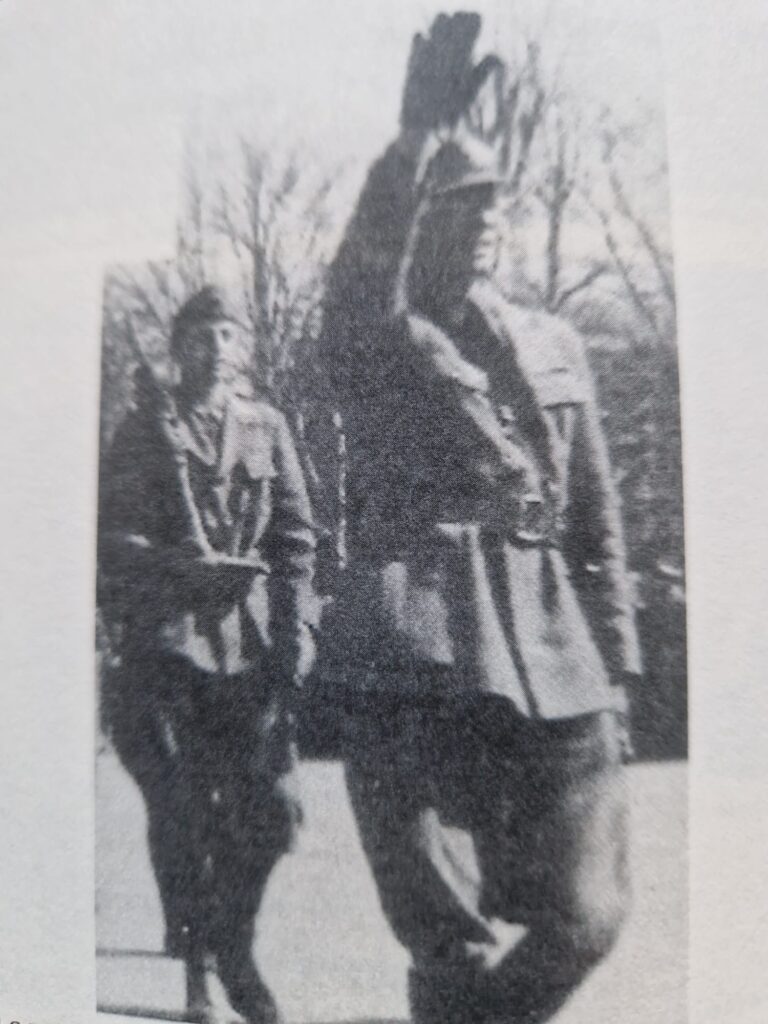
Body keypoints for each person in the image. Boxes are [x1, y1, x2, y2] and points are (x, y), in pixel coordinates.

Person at [319, 13, 641, 1023]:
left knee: (590, 913)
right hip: (418, 641)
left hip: (552, 648)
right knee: (446, 933)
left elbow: (595, 524)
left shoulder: (554, 344)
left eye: (496, 200)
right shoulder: (379, 341)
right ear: (423, 219)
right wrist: (412, 143)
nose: (488, 217)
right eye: (461, 201)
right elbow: (360, 279)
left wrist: (618, 667)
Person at [98, 286, 317, 1024]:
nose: (217, 349)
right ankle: (199, 975)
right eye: (202, 336)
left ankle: (230, 941)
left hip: (250, 648)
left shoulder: (266, 427)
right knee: (187, 812)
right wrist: (177, 568)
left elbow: (295, 540)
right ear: (178, 348)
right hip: (170, 645)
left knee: (269, 813)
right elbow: (112, 538)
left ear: (241, 347)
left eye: (228, 335)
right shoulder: (143, 430)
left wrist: (297, 630)